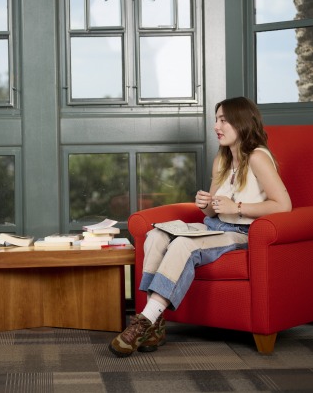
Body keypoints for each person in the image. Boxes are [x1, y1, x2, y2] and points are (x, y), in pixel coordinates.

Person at [109, 96, 292, 357]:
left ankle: (143, 322)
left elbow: (283, 205)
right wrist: (205, 203)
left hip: (243, 233)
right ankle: (156, 324)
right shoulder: (223, 159)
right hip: (215, 226)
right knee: (156, 235)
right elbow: (213, 209)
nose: (217, 126)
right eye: (216, 120)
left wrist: (238, 208)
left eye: (223, 120)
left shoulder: (257, 158)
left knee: (183, 244)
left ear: (242, 123)